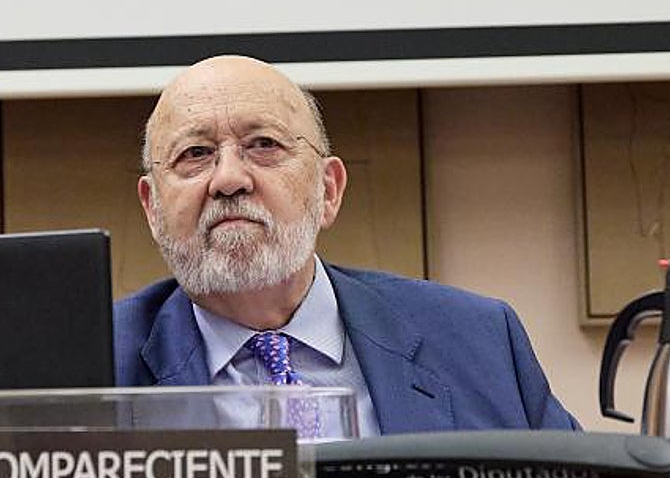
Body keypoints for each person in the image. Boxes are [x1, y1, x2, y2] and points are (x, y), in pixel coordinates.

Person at [114, 55, 579, 434]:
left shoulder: (477, 341)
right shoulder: (93, 363)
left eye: (264, 145)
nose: (230, 179)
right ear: (152, 207)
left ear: (329, 190)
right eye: (195, 154)